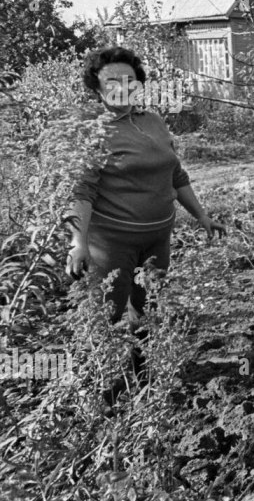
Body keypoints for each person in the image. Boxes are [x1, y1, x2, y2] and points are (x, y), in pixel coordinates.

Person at [67, 47, 225, 401]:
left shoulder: (153, 120)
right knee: (108, 314)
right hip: (112, 243)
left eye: (130, 80)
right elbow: (82, 191)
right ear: (97, 86)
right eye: (112, 82)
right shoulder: (91, 130)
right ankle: (102, 391)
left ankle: (144, 378)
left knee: (148, 307)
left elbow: (176, 174)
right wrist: (78, 242)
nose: (122, 88)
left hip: (158, 238)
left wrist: (201, 216)